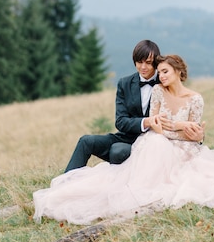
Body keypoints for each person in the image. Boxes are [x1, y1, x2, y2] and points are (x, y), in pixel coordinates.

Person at [33, 54, 214, 225]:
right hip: (158, 141)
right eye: (160, 72)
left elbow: (192, 133)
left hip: (185, 148)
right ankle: (70, 185)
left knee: (196, 173)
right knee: (155, 142)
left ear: (179, 73)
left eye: (165, 72)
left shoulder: (196, 99)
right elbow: (156, 126)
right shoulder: (158, 92)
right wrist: (179, 126)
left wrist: (196, 134)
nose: (160, 76)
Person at [64, 39, 204, 171]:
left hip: (157, 141)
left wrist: (198, 136)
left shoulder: (165, 83)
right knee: (86, 141)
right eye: (139, 62)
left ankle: (120, 185)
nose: (143, 67)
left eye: (148, 63)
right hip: (127, 136)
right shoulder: (124, 83)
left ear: (156, 63)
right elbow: (120, 121)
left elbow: (184, 115)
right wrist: (146, 121)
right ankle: (65, 182)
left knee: (118, 151)